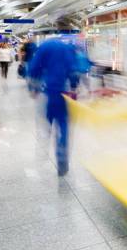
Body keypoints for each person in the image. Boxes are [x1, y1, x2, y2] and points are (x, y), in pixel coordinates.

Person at [28, 25, 90, 175]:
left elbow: (34, 68)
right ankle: (62, 158)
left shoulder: (43, 47)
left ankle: (44, 146)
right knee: (63, 125)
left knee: (46, 121)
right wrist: (74, 87)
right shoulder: (67, 48)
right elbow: (74, 70)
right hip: (64, 93)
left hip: (48, 92)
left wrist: (33, 89)